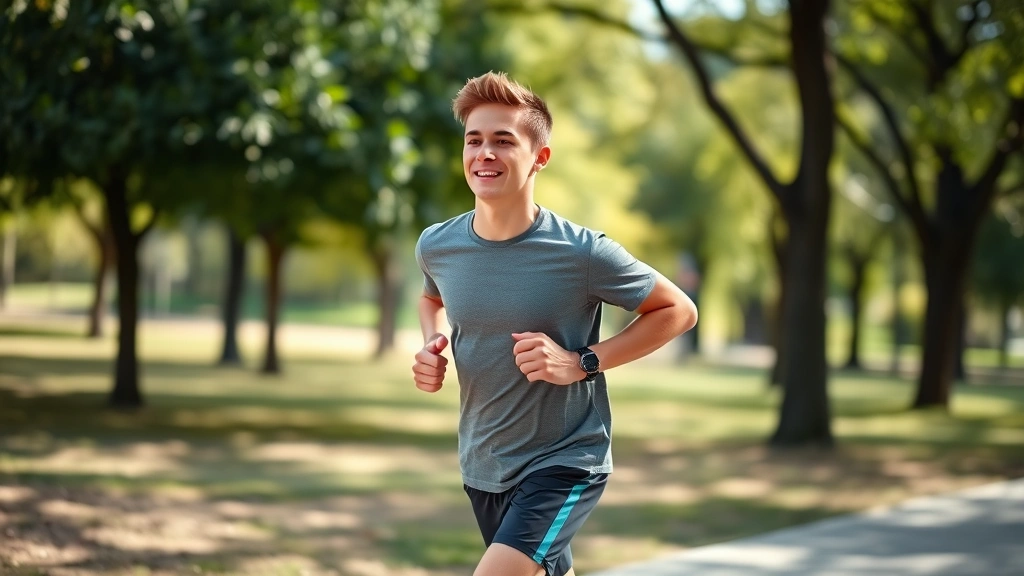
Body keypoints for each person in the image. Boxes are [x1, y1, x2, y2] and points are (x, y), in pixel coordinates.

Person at [412, 71, 697, 576]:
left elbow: (677, 310)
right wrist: (431, 344)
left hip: (564, 461)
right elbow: (431, 297)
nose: (484, 154)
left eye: (504, 141)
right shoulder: (438, 245)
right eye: (474, 140)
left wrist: (581, 362)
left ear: (540, 156)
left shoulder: (582, 252)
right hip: (483, 461)